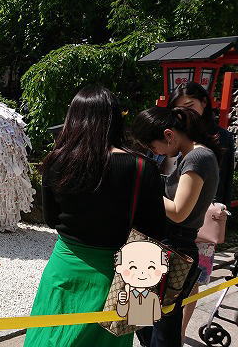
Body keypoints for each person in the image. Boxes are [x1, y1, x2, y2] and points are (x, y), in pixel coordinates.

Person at [24, 86, 166, 347]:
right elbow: (154, 229)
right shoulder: (142, 167)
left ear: (73, 118)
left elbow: (52, 219)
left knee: (51, 339)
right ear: (115, 120)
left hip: (64, 269)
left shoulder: (56, 160)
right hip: (118, 276)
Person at [132, 106, 221, 347]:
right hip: (167, 244)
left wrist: (141, 188)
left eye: (152, 146)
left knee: (162, 329)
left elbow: (180, 212)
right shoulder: (189, 155)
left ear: (169, 135)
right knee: (143, 318)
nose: (155, 153)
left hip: (175, 247)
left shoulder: (197, 157)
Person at [165, 82, 235, 342]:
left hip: (200, 219)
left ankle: (178, 333)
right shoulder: (172, 133)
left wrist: (221, 211)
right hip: (171, 216)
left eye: (189, 106)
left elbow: (224, 180)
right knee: (159, 279)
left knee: (191, 281)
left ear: (204, 103)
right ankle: (161, 331)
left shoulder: (220, 138)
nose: (184, 113)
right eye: (178, 109)